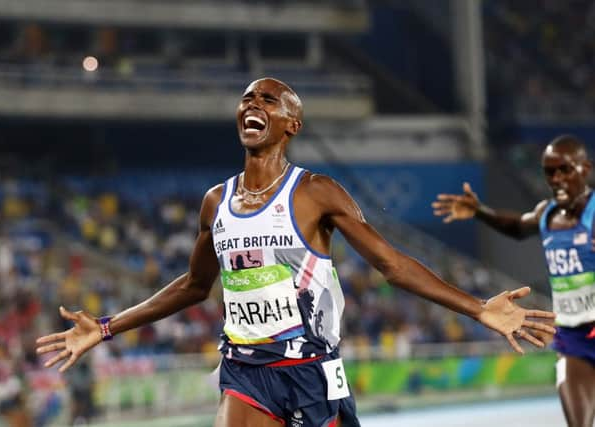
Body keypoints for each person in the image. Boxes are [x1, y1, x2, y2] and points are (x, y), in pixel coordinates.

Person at [36, 78, 556, 427]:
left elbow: (392, 265)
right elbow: (194, 287)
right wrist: (105, 327)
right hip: (245, 369)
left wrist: (478, 308)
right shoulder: (215, 201)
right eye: (246, 99)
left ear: (292, 125)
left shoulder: (317, 193)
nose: (252, 106)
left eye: (267, 101)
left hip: (313, 370)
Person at [432, 134, 595, 427]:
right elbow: (518, 227)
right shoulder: (547, 213)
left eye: (564, 170)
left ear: (585, 169)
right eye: (549, 172)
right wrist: (480, 211)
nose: (556, 179)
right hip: (573, 340)